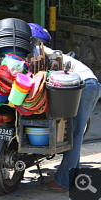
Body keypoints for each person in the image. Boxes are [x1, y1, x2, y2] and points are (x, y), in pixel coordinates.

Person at [28, 23, 101, 192]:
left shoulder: (41, 50)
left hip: (85, 86)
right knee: (74, 133)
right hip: (82, 85)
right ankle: (69, 178)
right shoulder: (38, 50)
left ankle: (63, 182)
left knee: (74, 134)